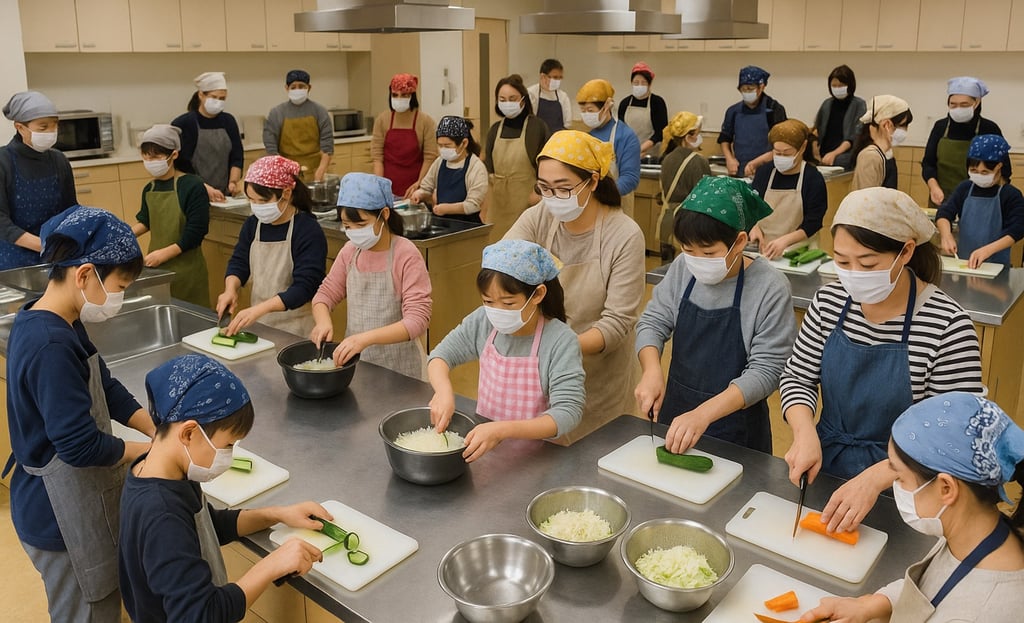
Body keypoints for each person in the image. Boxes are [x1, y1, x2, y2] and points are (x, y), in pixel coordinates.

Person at [781, 187, 983, 535]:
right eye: (842, 262)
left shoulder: (947, 324)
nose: (853, 274)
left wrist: (877, 477)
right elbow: (797, 378)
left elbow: (951, 430)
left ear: (905, 251)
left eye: (868, 263)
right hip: (826, 465)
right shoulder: (829, 302)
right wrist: (803, 433)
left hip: (912, 486)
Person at [4, 206, 153, 623]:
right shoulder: (50, 344)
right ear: (85, 275)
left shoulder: (59, 316)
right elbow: (78, 444)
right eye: (120, 285)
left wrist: (153, 428)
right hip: (58, 517)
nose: (120, 298)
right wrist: (149, 453)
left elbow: (103, 384)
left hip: (75, 501)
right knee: (87, 612)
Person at [118, 354, 328, 623]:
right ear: (189, 433)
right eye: (228, 444)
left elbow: (206, 526)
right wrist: (270, 565)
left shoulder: (156, 471)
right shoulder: (162, 514)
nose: (228, 455)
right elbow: (202, 615)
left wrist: (277, 514)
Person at [800, 393, 1024, 623]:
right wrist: (871, 605)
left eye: (900, 478)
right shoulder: (972, 535)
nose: (897, 488)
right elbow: (933, 591)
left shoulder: (986, 612)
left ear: (946, 488)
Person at [635, 177, 797, 454]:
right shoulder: (681, 269)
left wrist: (704, 414)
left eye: (709, 252)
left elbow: (767, 370)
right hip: (676, 411)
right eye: (688, 250)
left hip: (737, 427)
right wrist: (651, 370)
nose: (696, 259)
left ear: (740, 241)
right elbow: (653, 321)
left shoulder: (770, 286)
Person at [505, 130, 645, 444]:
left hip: (599, 378)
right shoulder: (540, 217)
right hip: (541, 372)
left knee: (592, 461)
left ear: (593, 181)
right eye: (544, 188)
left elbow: (617, 322)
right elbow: (502, 265)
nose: (552, 198)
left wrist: (557, 348)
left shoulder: (624, 235)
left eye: (563, 188)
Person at [428, 239, 585, 462]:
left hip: (540, 461)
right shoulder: (483, 321)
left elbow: (567, 413)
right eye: (488, 301)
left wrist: (502, 430)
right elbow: (440, 356)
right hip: (486, 451)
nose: (497, 311)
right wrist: (444, 392)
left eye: (509, 303)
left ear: (537, 294)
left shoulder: (560, 340)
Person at [310, 173, 431, 379]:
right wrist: (322, 321)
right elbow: (325, 295)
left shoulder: (405, 253)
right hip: (358, 364)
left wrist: (365, 339)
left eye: (361, 224)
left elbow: (417, 320)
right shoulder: (350, 251)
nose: (354, 232)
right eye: (347, 226)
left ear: (384, 214)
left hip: (400, 370)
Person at [217, 155, 327, 337]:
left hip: (296, 328)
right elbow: (239, 262)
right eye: (251, 200)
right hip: (259, 324)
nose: (256, 207)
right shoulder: (253, 224)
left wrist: (260, 309)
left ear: (286, 193)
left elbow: (305, 287)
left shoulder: (307, 230)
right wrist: (230, 289)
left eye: (262, 201)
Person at [131, 124, 211, 307]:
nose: (150, 161)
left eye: (156, 156)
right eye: (146, 156)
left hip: (187, 272)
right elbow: (145, 220)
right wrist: (123, 235)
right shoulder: (149, 188)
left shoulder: (192, 185)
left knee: (193, 322)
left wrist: (165, 253)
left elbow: (196, 233)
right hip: (157, 269)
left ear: (174, 155)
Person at [0, 91, 77, 269]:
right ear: (20, 127)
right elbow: (1, 222)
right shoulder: (3, 161)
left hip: (56, 256)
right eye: (43, 128)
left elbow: (70, 210)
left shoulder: (58, 160)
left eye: (54, 126)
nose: (51, 132)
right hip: (13, 261)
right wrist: (43, 245)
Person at [923, 77, 1011, 210]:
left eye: (964, 105)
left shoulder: (989, 129)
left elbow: (1004, 169)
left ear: (976, 102)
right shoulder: (940, 127)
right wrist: (933, 187)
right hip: (942, 198)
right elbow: (928, 163)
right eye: (953, 104)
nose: (958, 109)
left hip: (980, 199)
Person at [937, 134, 1024, 268]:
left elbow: (1016, 230)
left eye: (985, 172)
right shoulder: (965, 188)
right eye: (974, 171)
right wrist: (946, 235)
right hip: (964, 263)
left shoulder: (1010, 195)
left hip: (996, 267)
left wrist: (987, 250)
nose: (979, 175)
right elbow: (944, 212)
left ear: (999, 167)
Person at [484, 74, 551, 242]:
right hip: (498, 208)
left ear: (523, 100)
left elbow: (550, 166)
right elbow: (488, 171)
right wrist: (484, 208)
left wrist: (540, 193)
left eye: (512, 98)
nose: (507, 103)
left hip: (528, 205)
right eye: (502, 99)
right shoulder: (494, 130)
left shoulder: (537, 127)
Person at [750, 119, 828, 259]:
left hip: (799, 251)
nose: (781, 157)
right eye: (777, 153)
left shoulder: (813, 178)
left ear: (803, 147)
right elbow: (751, 206)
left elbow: (814, 222)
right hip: (764, 250)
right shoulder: (764, 173)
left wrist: (785, 241)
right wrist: (753, 228)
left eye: (786, 154)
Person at [171, 72, 243, 203]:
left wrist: (233, 182)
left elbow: (237, 157)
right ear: (201, 95)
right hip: (193, 193)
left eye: (222, 99)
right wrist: (203, 187)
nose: (218, 102)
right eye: (214, 97)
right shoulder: (184, 123)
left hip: (224, 195)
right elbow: (181, 165)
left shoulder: (229, 121)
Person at [576, 79, 641, 218]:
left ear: (606, 107)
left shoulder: (625, 136)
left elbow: (630, 178)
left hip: (616, 207)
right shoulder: (587, 136)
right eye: (583, 111)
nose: (587, 115)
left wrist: (602, 195)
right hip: (590, 207)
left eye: (590, 110)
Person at [370, 73, 437, 199]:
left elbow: (430, 157)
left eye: (404, 95)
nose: (399, 99)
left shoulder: (425, 121)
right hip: (388, 187)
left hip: (415, 188)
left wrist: (420, 184)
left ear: (412, 96)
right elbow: (377, 157)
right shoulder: (382, 120)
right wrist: (379, 186)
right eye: (395, 95)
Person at [411, 115, 487, 223]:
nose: (443, 149)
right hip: (442, 222)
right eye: (440, 145)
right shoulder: (439, 162)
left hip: (468, 225)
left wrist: (446, 209)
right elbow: (427, 187)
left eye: (447, 145)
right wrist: (419, 194)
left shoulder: (476, 167)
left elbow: (473, 205)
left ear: (464, 143)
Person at [262, 69, 333, 183]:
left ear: (309, 88)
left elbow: (327, 146)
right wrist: (281, 171)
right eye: (293, 87)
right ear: (286, 88)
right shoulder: (277, 113)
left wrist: (320, 171)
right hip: (287, 171)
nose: (297, 90)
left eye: (301, 86)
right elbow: (271, 147)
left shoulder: (320, 111)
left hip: (315, 171)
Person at [657, 111, 711, 259]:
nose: (700, 137)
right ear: (688, 137)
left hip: (666, 222)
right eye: (698, 133)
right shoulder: (698, 161)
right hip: (687, 225)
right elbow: (704, 198)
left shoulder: (667, 158)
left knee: (667, 271)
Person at [718, 65, 788, 178]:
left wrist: (757, 163)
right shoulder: (733, 111)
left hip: (768, 170)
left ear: (761, 87)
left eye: (750, 89)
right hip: (741, 170)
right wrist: (730, 159)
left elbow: (782, 145)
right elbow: (725, 139)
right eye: (743, 89)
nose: (746, 92)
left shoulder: (774, 109)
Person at [849, 95, 913, 191]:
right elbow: (868, 200)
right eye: (902, 125)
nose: (905, 130)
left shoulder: (886, 154)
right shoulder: (870, 157)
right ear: (886, 125)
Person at [811, 64, 867, 170]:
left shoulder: (859, 105)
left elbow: (853, 138)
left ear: (849, 85)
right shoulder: (827, 104)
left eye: (841, 85)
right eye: (834, 86)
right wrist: (815, 152)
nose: (837, 88)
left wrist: (834, 154)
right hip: (824, 154)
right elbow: (816, 130)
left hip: (845, 156)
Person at [617, 62, 668, 157]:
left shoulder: (657, 102)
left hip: (651, 154)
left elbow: (660, 133)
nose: (639, 85)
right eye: (636, 83)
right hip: (629, 153)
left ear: (649, 84)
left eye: (643, 83)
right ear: (631, 83)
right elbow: (621, 131)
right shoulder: (625, 103)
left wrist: (640, 149)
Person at [527, 58, 573, 132]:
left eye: (560, 77)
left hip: (557, 139)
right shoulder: (531, 93)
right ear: (543, 77)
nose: (558, 81)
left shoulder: (563, 96)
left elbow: (567, 124)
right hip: (536, 137)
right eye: (555, 77)